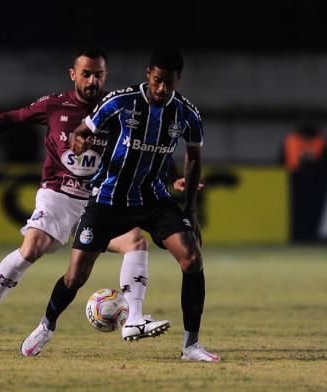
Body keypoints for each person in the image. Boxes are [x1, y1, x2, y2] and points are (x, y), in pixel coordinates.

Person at [0, 47, 169, 343]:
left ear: (106, 75)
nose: (92, 81)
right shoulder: (55, 105)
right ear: (73, 75)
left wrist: (174, 177)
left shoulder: (118, 109)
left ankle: (132, 318)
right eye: (86, 74)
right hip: (58, 194)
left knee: (134, 242)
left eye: (98, 74)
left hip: (99, 200)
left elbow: (149, 146)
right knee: (33, 246)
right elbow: (12, 118)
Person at [21, 48, 220, 362]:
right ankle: (46, 326)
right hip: (107, 200)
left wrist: (190, 209)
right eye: (157, 81)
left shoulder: (187, 114)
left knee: (192, 258)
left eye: (168, 83)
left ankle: (191, 346)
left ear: (177, 80)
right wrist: (79, 141)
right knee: (75, 277)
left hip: (154, 199)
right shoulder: (120, 101)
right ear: (148, 74)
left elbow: (193, 158)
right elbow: (81, 132)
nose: (162, 89)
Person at [280, 123, 327, 242]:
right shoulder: (291, 140)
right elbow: (283, 160)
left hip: (315, 180)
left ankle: (309, 235)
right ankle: (298, 236)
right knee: (298, 210)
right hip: (296, 179)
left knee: (312, 211)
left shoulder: (319, 141)